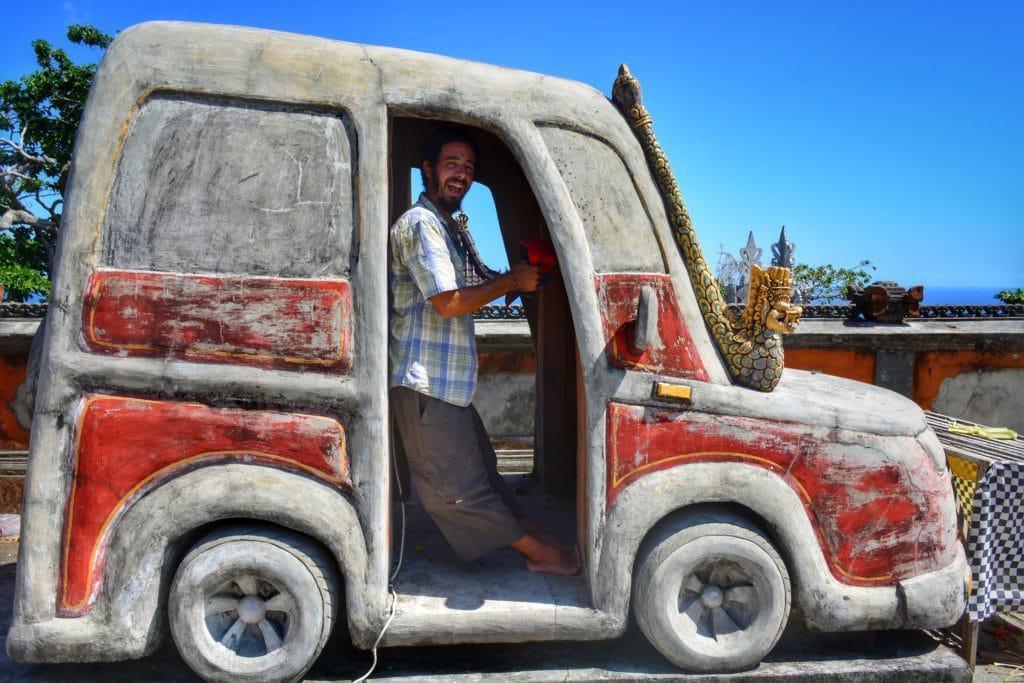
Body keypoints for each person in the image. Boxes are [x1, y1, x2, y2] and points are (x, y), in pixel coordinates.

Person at [389, 126, 580, 576]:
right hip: (425, 384)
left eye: (469, 168)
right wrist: (512, 282)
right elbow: (448, 301)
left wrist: (513, 278)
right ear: (428, 170)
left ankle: (533, 534)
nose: (462, 175)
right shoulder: (421, 225)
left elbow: (465, 287)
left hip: (447, 384)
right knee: (455, 490)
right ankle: (539, 555)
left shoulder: (443, 225)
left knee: (483, 473)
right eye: (452, 164)